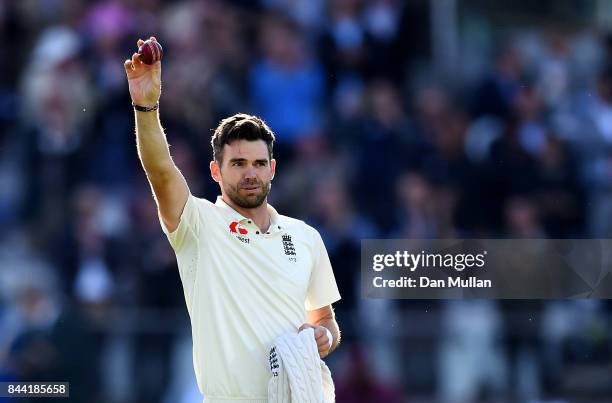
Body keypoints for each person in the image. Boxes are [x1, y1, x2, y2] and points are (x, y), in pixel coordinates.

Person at [124, 37, 341, 402]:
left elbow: (325, 318)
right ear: (216, 171)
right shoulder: (198, 225)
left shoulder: (304, 236)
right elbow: (161, 172)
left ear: (272, 169)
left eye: (258, 164)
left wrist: (326, 337)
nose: (250, 173)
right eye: (238, 164)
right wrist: (146, 108)